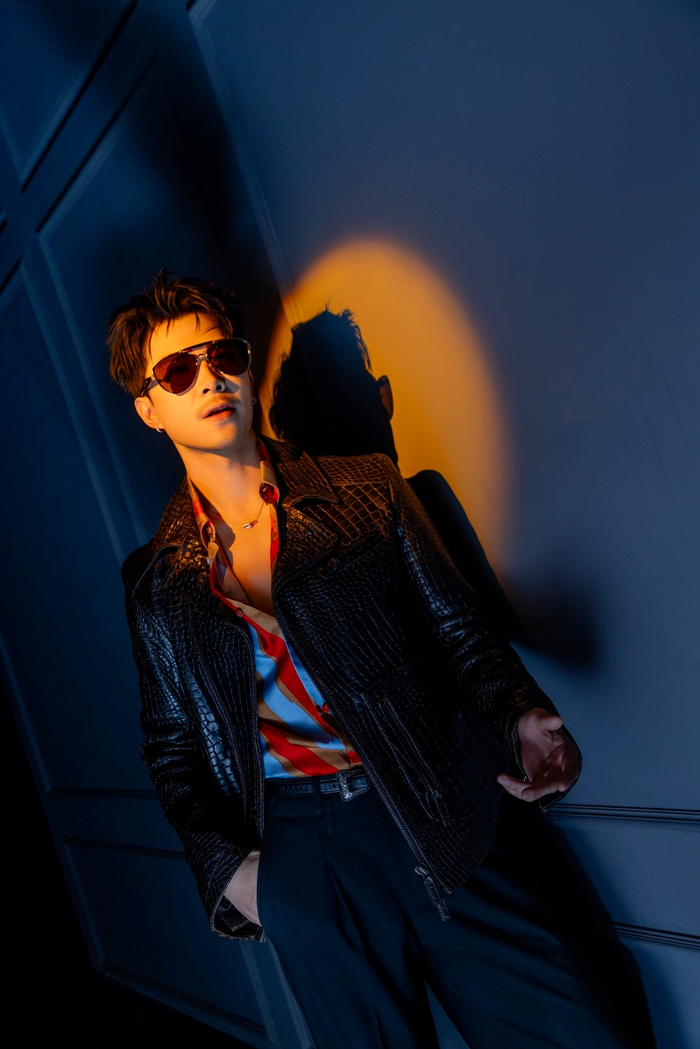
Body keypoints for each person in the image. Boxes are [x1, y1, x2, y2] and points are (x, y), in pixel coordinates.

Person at [107, 271, 635, 1049]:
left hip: (436, 807)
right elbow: (171, 747)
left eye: (224, 355)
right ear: (149, 407)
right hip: (302, 855)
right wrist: (230, 871)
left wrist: (518, 713)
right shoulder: (157, 582)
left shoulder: (369, 491)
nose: (211, 379)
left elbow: (461, 631)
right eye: (179, 370)